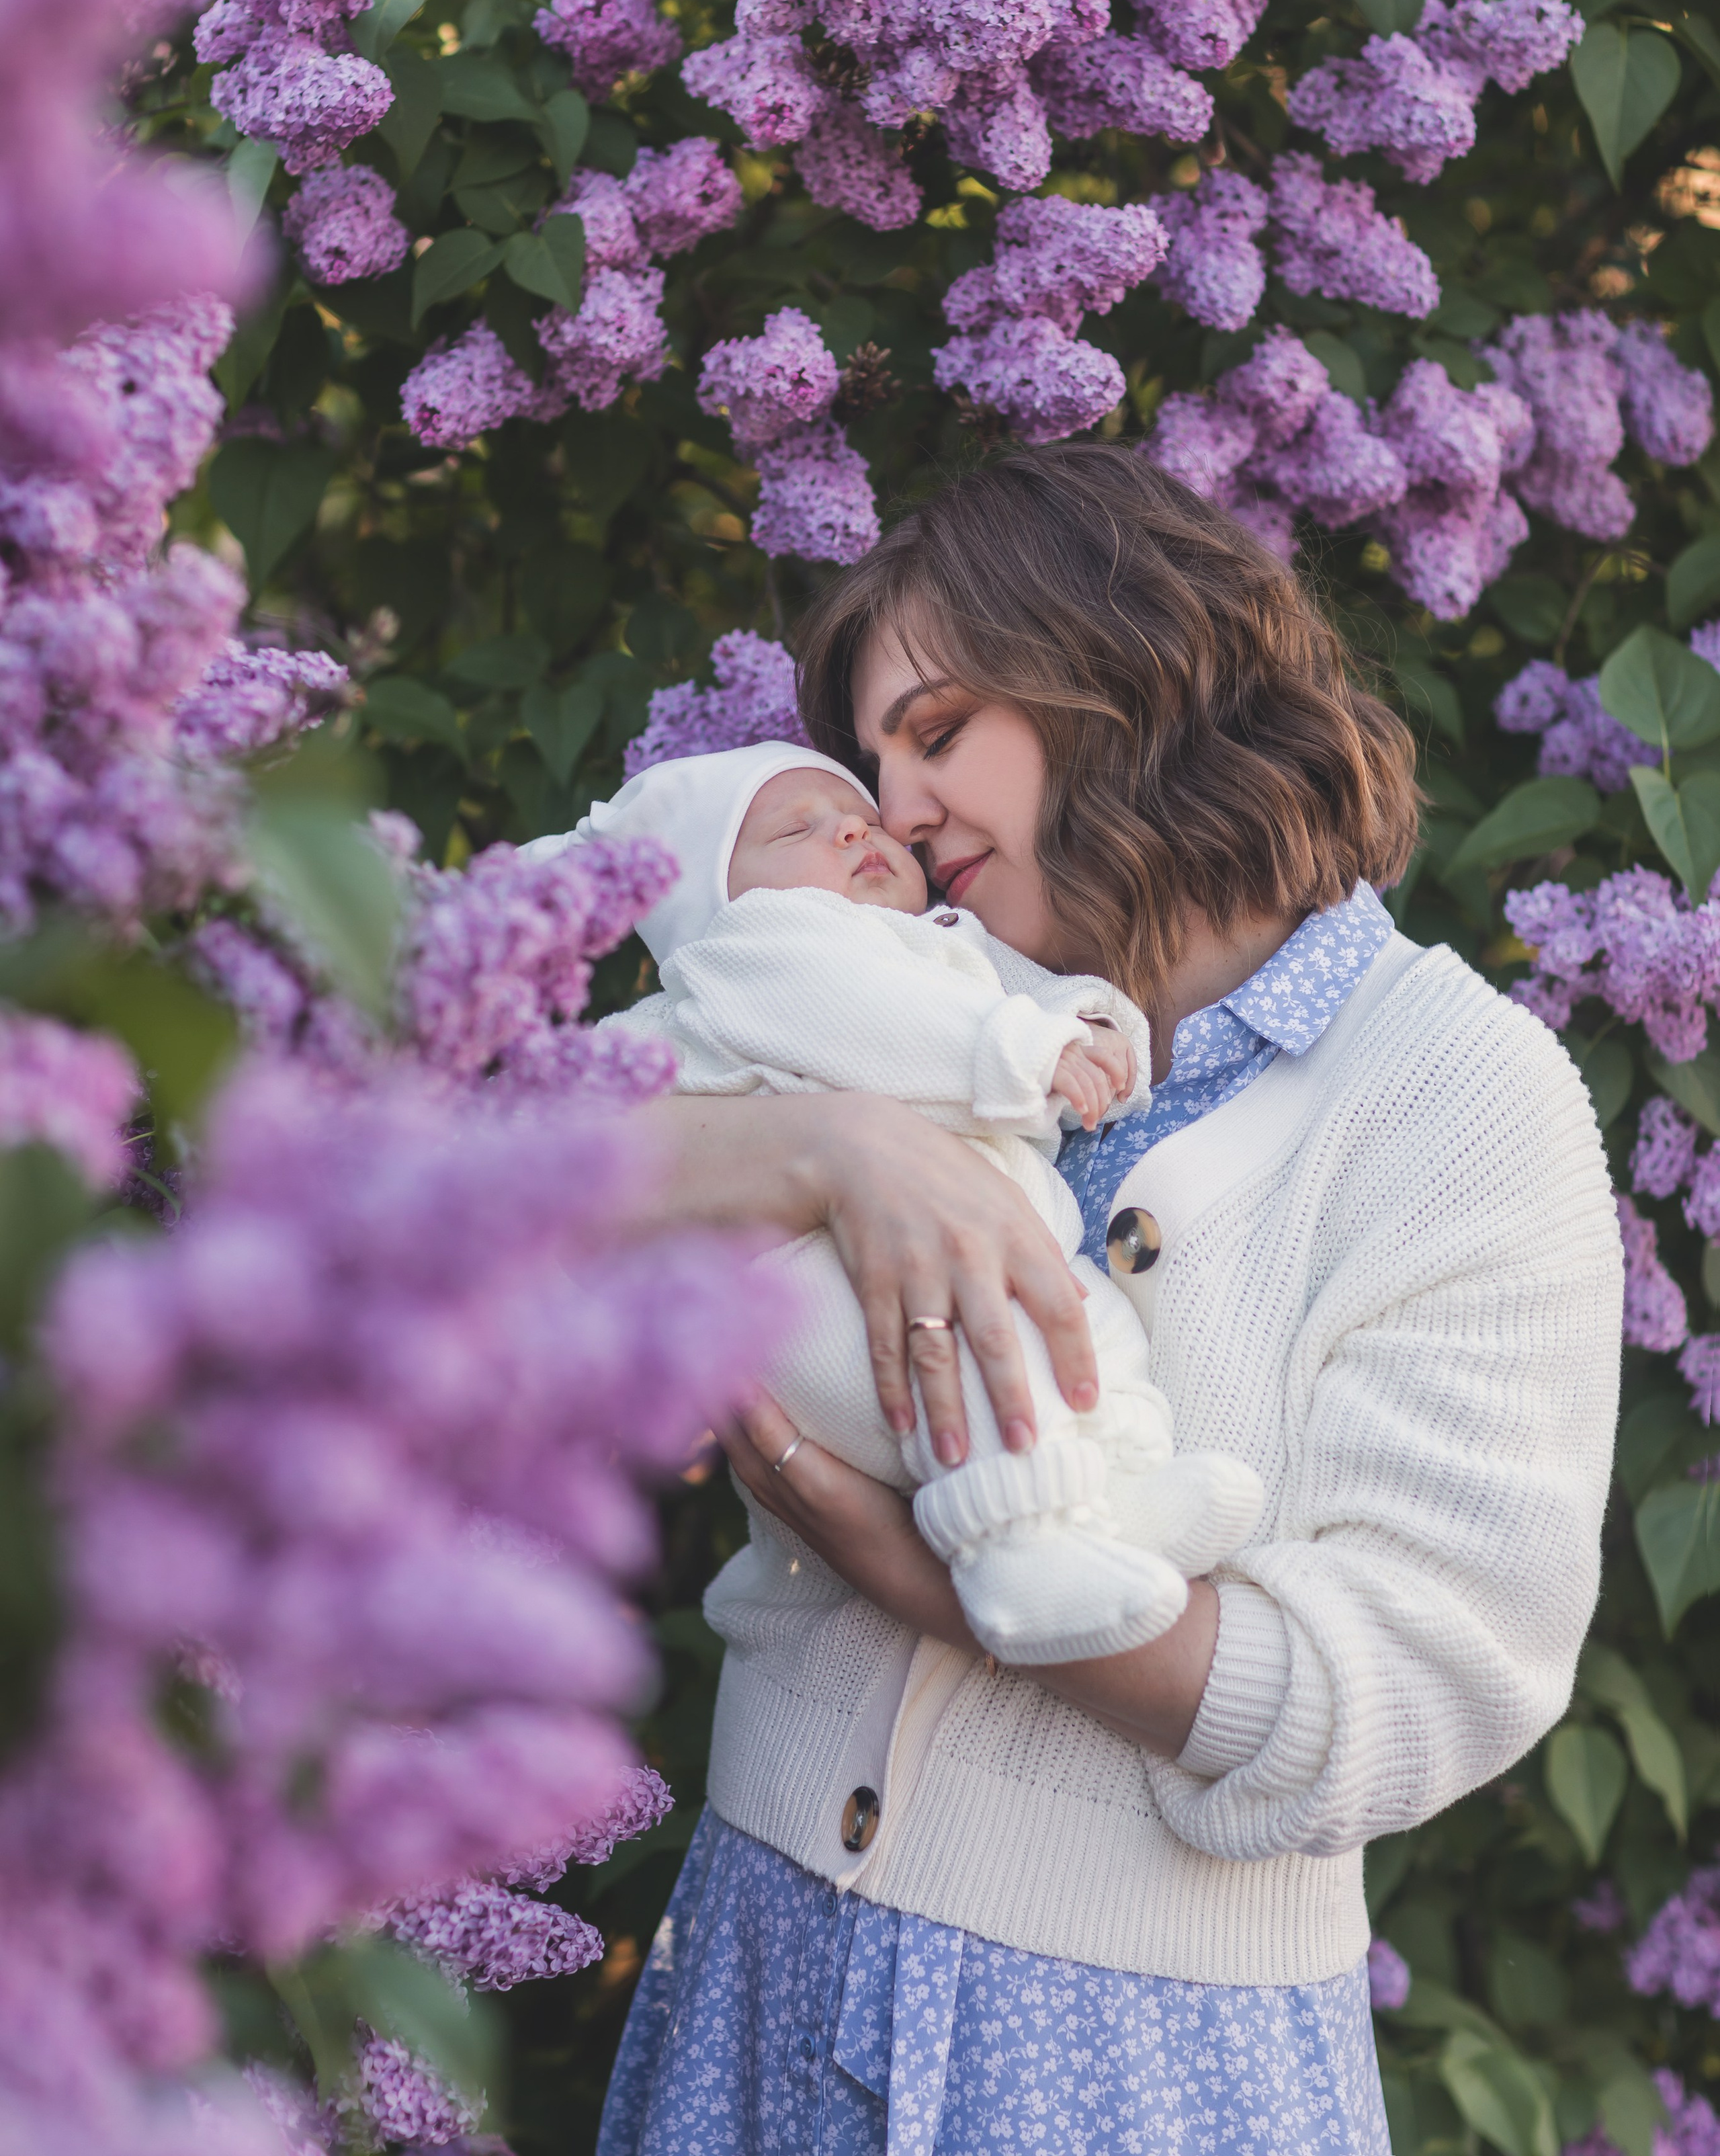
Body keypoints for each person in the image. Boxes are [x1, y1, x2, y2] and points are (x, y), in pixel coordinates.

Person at [599, 447, 1624, 2156]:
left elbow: (1431, 1680)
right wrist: (832, 1145)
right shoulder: (892, 990)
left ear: (1126, 678)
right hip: (764, 1967)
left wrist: (947, 1587)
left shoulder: (1454, 1093)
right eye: (873, 760)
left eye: (936, 732)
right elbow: (513, 1167)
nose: (895, 810)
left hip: (1130, 2069)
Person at [568, 738, 1262, 1667]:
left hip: (990, 1240)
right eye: (795, 827)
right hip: (834, 1290)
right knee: (986, 1353)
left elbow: (1034, 997)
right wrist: (1025, 1052)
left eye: (851, 808)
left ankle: (1121, 1489)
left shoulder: (941, 945)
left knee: (1087, 1328)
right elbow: (871, 1022)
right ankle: (1020, 1551)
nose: (852, 822)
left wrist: (1096, 1026)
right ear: (719, 900)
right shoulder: (755, 955)